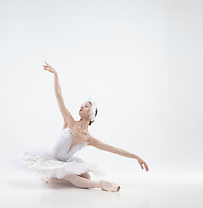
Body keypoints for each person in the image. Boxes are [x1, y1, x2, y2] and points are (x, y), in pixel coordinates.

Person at [12, 61, 149, 192]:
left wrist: (136, 156)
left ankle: (54, 180)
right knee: (75, 178)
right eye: (81, 105)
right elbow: (58, 95)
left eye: (86, 106)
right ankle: (99, 184)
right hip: (52, 159)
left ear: (91, 113)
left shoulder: (89, 139)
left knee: (86, 176)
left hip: (65, 163)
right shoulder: (69, 121)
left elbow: (114, 150)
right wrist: (56, 74)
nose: (81, 107)